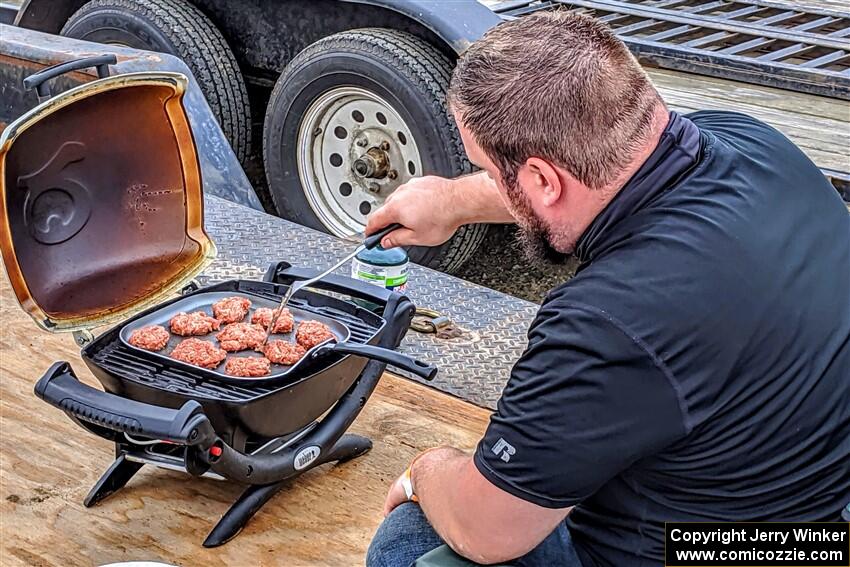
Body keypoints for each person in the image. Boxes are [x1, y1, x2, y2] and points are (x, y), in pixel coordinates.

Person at [363, 10, 850, 567]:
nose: (492, 182)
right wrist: (450, 201)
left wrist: (424, 469)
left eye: (490, 171)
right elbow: (595, 177)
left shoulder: (608, 322)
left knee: (408, 543)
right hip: (815, 529)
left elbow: (489, 531)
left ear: (543, 181)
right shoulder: (755, 145)